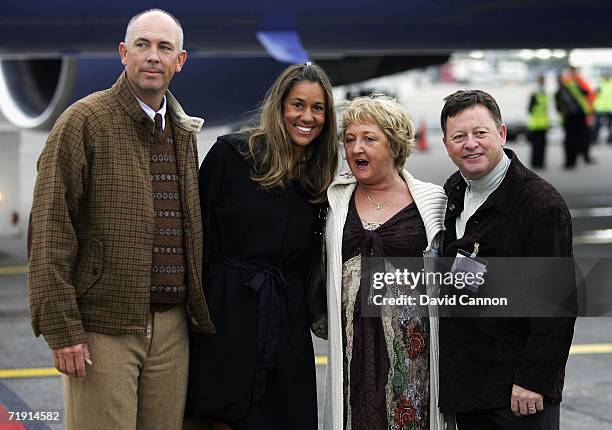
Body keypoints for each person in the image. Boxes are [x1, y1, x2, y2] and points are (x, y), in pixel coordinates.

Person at [27, 9, 214, 430]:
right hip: (102, 329)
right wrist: (63, 329)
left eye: (164, 48)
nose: (152, 56)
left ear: (179, 61)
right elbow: (49, 232)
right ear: (123, 53)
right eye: (142, 45)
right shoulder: (83, 122)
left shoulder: (182, 132)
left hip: (171, 331)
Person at [185, 63, 338, 429]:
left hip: (285, 321)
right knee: (221, 416)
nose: (307, 117)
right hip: (227, 313)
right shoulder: (232, 155)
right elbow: (196, 237)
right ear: (279, 106)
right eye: (297, 105)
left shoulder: (319, 174)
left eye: (318, 108)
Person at [438, 90, 576, 429]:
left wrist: (534, 380)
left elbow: (556, 308)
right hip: (467, 388)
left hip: (517, 396)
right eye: (459, 136)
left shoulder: (541, 206)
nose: (470, 143)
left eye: (480, 133)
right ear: (446, 144)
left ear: (501, 134)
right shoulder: (454, 190)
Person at [324, 94, 448, 430]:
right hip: (354, 352)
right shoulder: (335, 200)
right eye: (349, 140)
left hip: (410, 355)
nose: (355, 149)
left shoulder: (432, 202)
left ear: (393, 145)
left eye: (368, 139)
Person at [555, 68, 593, 168]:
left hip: (569, 117)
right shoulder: (575, 84)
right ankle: (575, 160)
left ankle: (570, 161)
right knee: (578, 138)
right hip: (579, 115)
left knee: (570, 139)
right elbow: (586, 93)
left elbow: (558, 107)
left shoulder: (561, 89)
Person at [526, 75, 550, 168]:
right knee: (536, 145)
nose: (544, 82)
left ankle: (540, 163)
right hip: (536, 124)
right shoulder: (535, 93)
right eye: (542, 80)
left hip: (543, 123)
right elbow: (529, 108)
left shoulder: (544, 93)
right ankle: (535, 163)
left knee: (542, 145)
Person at [591, 74, 612, 144]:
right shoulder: (599, 85)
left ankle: (610, 139)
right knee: (596, 125)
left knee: (610, 126)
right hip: (599, 108)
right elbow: (593, 96)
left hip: (610, 108)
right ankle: (594, 139)